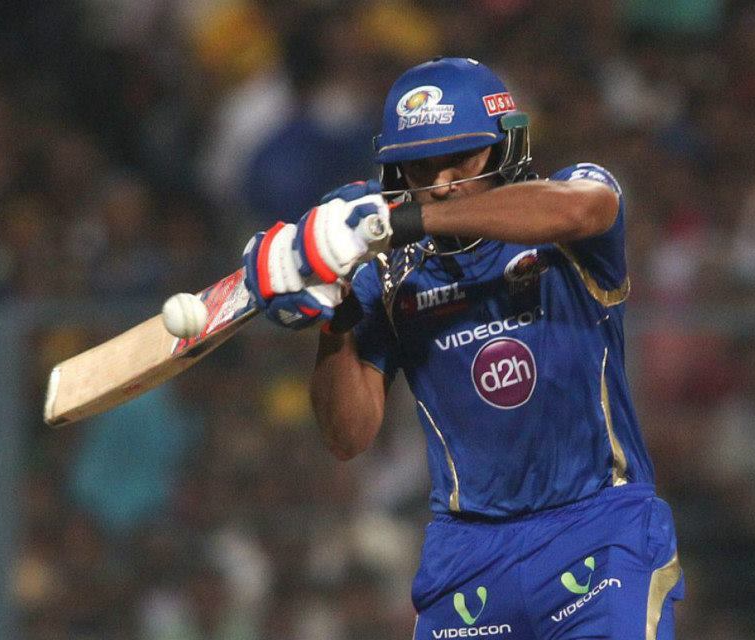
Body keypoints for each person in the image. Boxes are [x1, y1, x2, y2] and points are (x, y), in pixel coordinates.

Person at [242, 57, 684, 640]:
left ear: (506, 148)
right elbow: (347, 436)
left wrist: (404, 222)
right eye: (421, 167)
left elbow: (583, 208)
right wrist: (336, 310)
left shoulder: (570, 209)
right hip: (468, 554)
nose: (444, 181)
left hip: (600, 528)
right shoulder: (389, 275)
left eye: (462, 160)